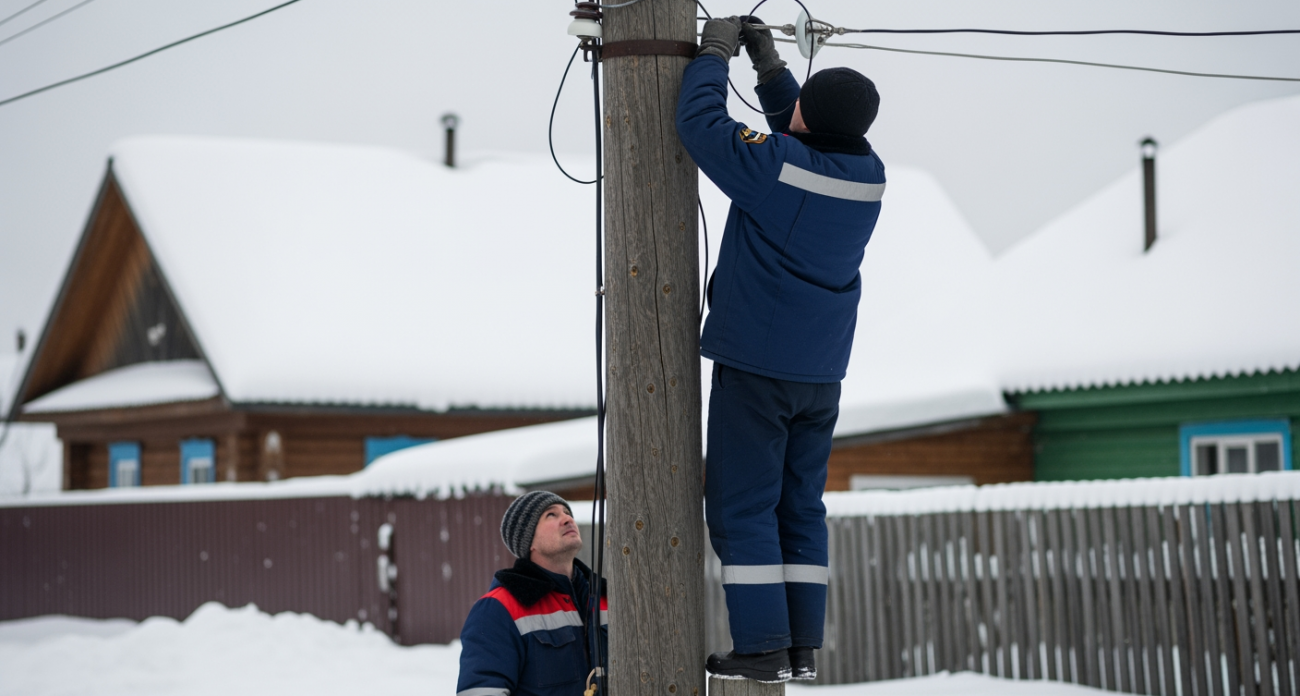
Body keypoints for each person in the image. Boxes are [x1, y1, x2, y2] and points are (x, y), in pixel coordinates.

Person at [676, 16, 885, 684]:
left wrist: (713, 54)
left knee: (742, 508)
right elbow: (805, 128)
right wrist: (769, 67)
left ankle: (763, 643)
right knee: (799, 508)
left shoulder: (779, 169)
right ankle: (800, 646)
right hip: (820, 376)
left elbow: (700, 124)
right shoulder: (866, 175)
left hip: (759, 368)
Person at [456, 491, 607, 696]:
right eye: (551, 515)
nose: (567, 519)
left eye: (566, 512)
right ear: (529, 542)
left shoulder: (608, 598)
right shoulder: (498, 609)